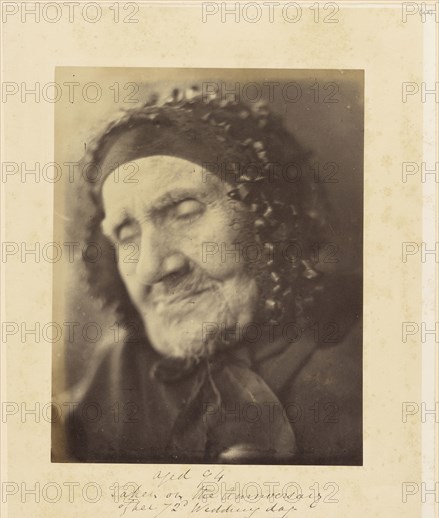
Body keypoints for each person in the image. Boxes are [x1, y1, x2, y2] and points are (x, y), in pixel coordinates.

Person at [55, 86, 362, 465]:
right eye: (126, 233)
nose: (153, 267)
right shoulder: (117, 372)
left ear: (269, 213)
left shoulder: (378, 354)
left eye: (185, 210)